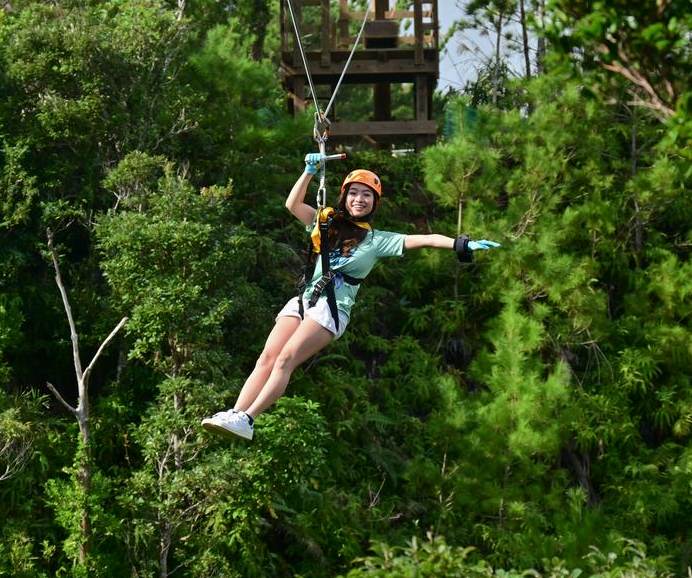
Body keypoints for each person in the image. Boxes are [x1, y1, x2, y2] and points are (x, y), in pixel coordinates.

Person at [201, 154, 500, 441]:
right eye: (354, 193)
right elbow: (292, 204)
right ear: (345, 196)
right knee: (266, 358)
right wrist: (308, 172)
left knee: (285, 359)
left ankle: (248, 419)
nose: (359, 199)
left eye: (367, 195)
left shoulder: (377, 240)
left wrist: (461, 244)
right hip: (305, 299)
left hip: (331, 309)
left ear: (374, 203)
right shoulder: (326, 222)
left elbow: (425, 240)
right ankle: (236, 413)